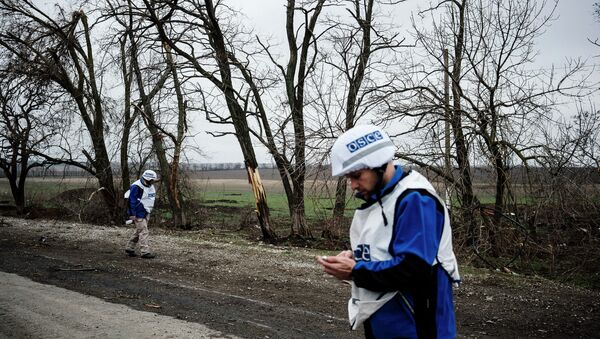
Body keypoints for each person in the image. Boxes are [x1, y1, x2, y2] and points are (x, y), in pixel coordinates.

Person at [316, 124, 460, 338]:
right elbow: (386, 250)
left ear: (379, 165)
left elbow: (413, 267)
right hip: (387, 325)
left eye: (356, 175)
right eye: (349, 178)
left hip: (416, 327)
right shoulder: (379, 199)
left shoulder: (415, 200)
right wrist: (354, 258)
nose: (353, 185)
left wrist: (356, 271)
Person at [124, 169, 159, 259]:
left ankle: (129, 248)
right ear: (147, 179)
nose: (153, 182)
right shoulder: (136, 186)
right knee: (144, 231)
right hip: (138, 212)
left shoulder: (149, 185)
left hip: (146, 211)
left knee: (139, 231)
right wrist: (132, 214)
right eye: (152, 180)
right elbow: (131, 201)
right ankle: (145, 252)